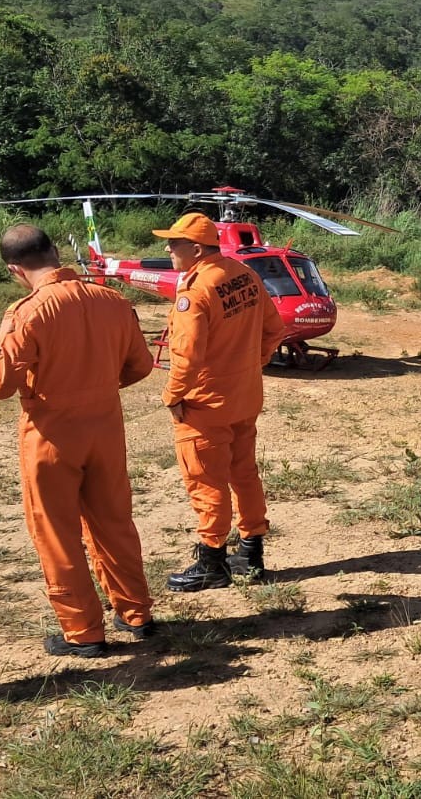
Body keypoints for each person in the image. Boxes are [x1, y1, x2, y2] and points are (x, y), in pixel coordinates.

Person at [0, 224, 157, 658]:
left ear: (14, 270)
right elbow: (141, 367)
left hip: (51, 434)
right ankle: (135, 613)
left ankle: (83, 632)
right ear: (56, 252)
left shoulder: (26, 313)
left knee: (57, 533)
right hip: (106, 429)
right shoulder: (112, 300)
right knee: (113, 522)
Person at [155, 212, 285, 591]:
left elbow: (187, 356)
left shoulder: (195, 291)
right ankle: (250, 552)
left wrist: (172, 394)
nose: (167, 249)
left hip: (206, 405)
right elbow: (274, 328)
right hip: (244, 397)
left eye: (174, 243)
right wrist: (252, 364)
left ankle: (212, 561)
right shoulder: (243, 274)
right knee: (243, 473)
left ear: (195, 249)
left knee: (206, 480)